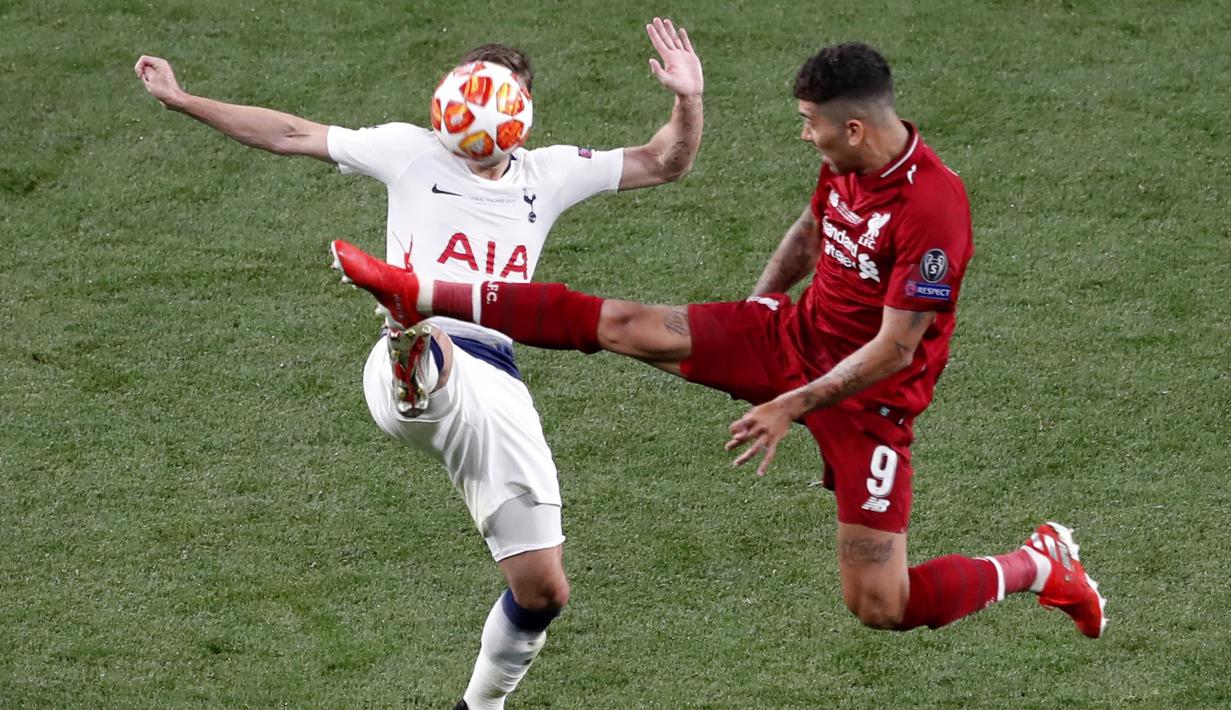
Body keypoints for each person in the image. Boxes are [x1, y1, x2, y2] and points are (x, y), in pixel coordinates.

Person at [330, 42, 1107, 641]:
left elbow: (895, 349)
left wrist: (784, 406)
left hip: (870, 400)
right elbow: (811, 230)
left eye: (810, 123)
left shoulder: (934, 210)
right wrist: (761, 304)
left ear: (854, 126)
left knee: (880, 605)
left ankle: (1039, 564)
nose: (805, 137)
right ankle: (418, 293)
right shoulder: (846, 162)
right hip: (788, 341)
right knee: (622, 323)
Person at [135, 17, 703, 709]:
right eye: (474, 93)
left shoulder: (548, 172)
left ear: (520, 111)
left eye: (502, 96)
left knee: (543, 590)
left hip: (496, 384)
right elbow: (290, 133)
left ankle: (480, 705)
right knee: (431, 361)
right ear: (447, 100)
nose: (484, 112)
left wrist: (687, 98)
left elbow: (664, 161)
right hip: (419, 367)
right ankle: (409, 331)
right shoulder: (410, 151)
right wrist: (184, 98)